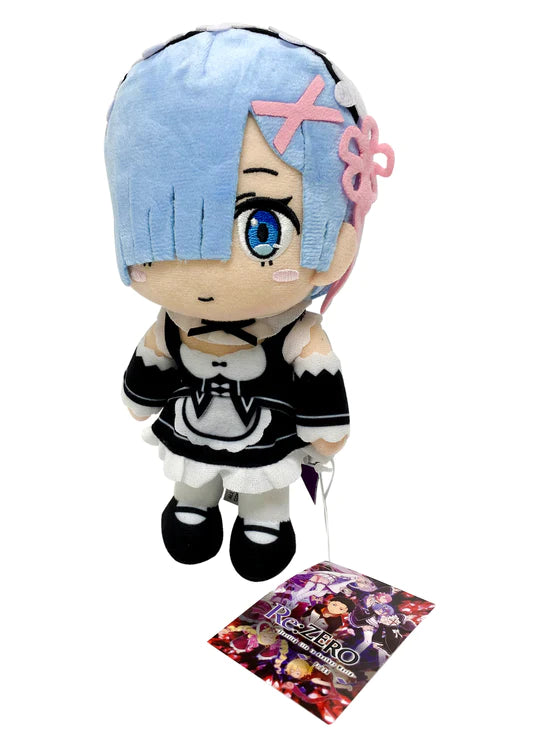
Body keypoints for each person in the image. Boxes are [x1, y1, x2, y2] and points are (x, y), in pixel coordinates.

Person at [105, 26, 393, 581]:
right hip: (193, 434)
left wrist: (323, 429)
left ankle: (263, 520)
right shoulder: (172, 323)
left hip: (264, 441)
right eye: (163, 230)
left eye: (263, 228)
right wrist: (141, 394)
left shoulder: (295, 334)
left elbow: (319, 384)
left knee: (265, 490)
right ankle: (194, 506)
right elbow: (148, 374)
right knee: (190, 482)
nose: (205, 270)